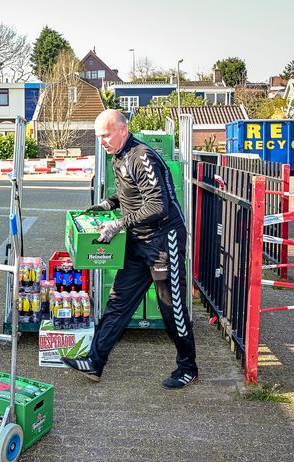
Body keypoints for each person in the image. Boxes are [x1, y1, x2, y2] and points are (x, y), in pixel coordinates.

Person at [61, 109, 199, 389]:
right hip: (138, 241)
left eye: (105, 135)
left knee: (171, 309)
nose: (102, 141)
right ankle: (94, 362)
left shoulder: (143, 157)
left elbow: (157, 206)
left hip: (163, 241)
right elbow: (129, 194)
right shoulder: (119, 156)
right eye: (99, 136)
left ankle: (188, 367)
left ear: (122, 130)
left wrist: (119, 224)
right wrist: (108, 204)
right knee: (118, 302)